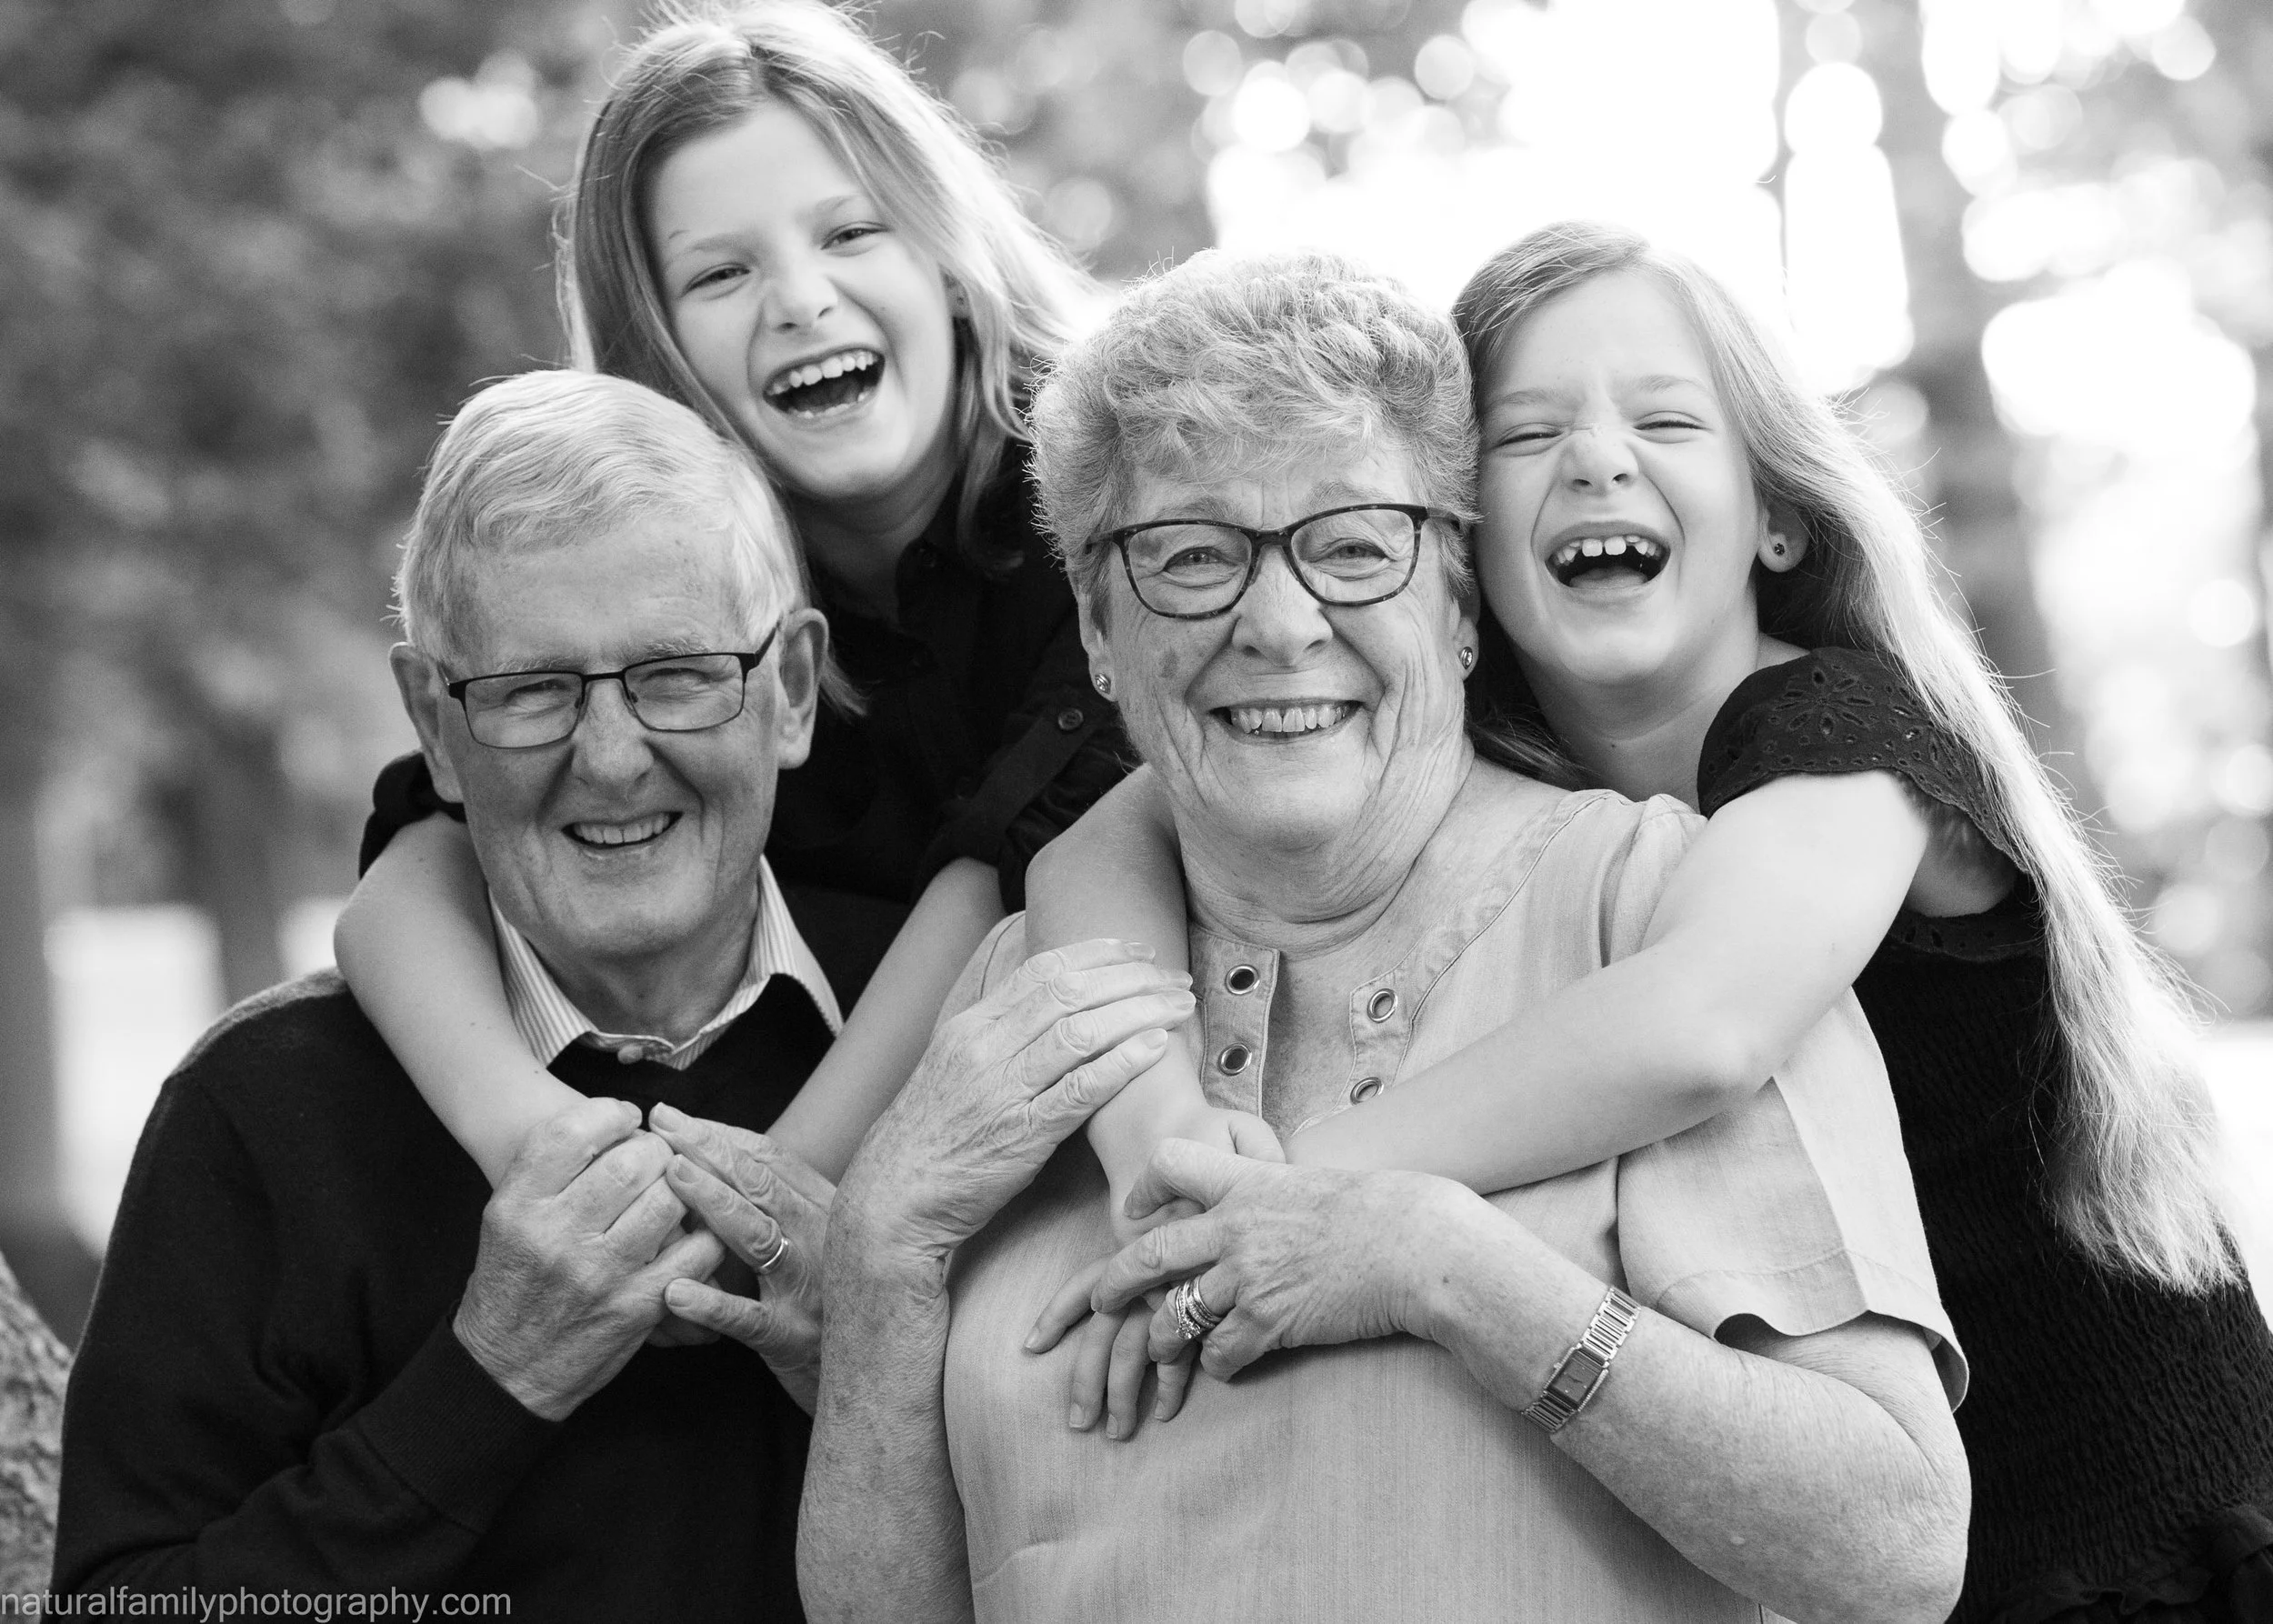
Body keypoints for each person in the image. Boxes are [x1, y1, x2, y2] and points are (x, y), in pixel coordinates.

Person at [1032, 220, 2273, 1622]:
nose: (1598, 459)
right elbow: (1093, 847)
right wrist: (1162, 1136)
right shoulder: (1508, 781)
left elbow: (1701, 1026)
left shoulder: (1845, 738)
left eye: (1666, 418)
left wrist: (1309, 1198)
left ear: (1779, 515)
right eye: (1530, 432)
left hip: (2132, 1527)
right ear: (1460, 546)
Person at [796, 248, 1971, 1623]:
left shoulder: (1656, 909)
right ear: (1100, 637)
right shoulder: (1020, 1000)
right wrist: (878, 1257)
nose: (1281, 622)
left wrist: (1454, 1270)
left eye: (1356, 544)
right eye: (1190, 556)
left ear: (1462, 607)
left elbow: (1895, 1548)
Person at [55, 371, 836, 1619]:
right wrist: (488, 1384)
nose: (612, 754)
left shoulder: (941, 1031)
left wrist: (879, 1358)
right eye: (532, 691)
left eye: (677, 673)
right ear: (434, 719)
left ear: (790, 686)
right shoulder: (261, 1116)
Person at [332, 0, 1122, 1193]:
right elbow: (429, 840)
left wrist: (767, 1193)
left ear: (952, 263)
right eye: (722, 271)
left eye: (852, 234)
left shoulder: (1100, 500)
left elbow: (994, 883)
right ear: (658, 352)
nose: (800, 299)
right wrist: (527, 1136)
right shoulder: (674, 586)